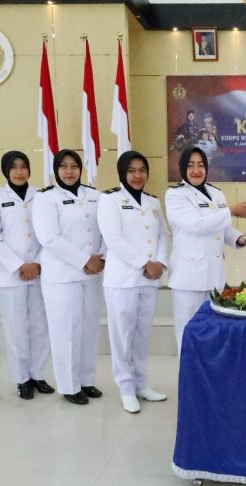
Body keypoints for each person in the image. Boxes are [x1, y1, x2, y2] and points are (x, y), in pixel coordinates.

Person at [98, 151, 169, 413]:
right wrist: (144, 263)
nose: (138, 175)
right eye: (131, 171)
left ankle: (141, 383)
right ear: (122, 173)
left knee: (142, 334)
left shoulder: (153, 202)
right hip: (123, 279)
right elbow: (113, 239)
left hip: (149, 280)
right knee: (122, 335)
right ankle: (125, 387)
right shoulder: (110, 200)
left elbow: (163, 234)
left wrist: (160, 262)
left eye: (142, 170)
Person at [32, 149, 105, 405]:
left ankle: (86, 380)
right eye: (63, 166)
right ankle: (69, 386)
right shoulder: (46, 198)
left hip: (92, 274)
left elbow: (106, 230)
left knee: (89, 329)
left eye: (74, 166)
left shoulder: (96, 196)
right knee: (66, 331)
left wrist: (102, 257)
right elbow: (49, 237)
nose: (69, 171)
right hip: (61, 276)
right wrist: (85, 260)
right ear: (56, 170)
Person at [165, 147, 246, 355]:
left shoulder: (216, 193)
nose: (196, 170)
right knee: (188, 334)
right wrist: (232, 210)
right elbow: (196, 224)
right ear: (183, 169)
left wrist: (239, 238)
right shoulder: (175, 195)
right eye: (191, 166)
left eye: (201, 165)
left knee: (212, 335)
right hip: (189, 278)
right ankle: (187, 376)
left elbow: (221, 227)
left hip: (214, 276)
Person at [0, 151, 54, 400]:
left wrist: (37, 263)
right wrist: (19, 265)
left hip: (39, 272)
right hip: (9, 275)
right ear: (6, 170)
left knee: (39, 327)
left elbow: (49, 233)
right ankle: (22, 378)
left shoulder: (41, 196)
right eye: (13, 167)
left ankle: (38, 374)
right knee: (16, 330)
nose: (19, 171)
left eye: (23, 166)